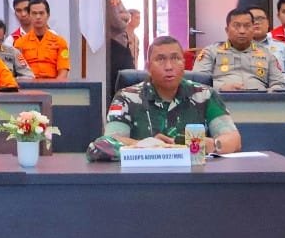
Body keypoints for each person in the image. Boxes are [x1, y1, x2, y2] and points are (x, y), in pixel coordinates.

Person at [87, 35, 242, 160]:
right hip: (142, 178)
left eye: (175, 58)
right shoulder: (126, 97)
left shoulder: (205, 95)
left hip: (194, 176)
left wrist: (214, 144)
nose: (169, 66)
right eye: (160, 59)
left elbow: (234, 140)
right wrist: (148, 146)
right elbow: (111, 140)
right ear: (148, 67)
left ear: (184, 63)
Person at [193, 8, 285, 92]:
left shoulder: (267, 54)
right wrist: (220, 87)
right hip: (222, 100)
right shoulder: (211, 52)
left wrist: (272, 92)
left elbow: (279, 83)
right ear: (227, 30)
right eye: (236, 26)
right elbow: (197, 83)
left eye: (247, 26)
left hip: (258, 101)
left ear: (253, 29)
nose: (242, 31)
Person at [106, 0, 140, 94]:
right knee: (124, 76)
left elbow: (127, 15)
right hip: (115, 43)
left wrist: (125, 16)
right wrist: (124, 19)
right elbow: (116, 22)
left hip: (121, 42)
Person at [18, 0, 70, 79]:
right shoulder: (20, 43)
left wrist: (56, 86)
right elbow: (17, 71)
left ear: (48, 15)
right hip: (28, 84)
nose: (38, 17)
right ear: (29, 16)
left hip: (53, 85)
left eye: (41, 13)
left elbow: (63, 72)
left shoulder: (60, 42)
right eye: (34, 13)